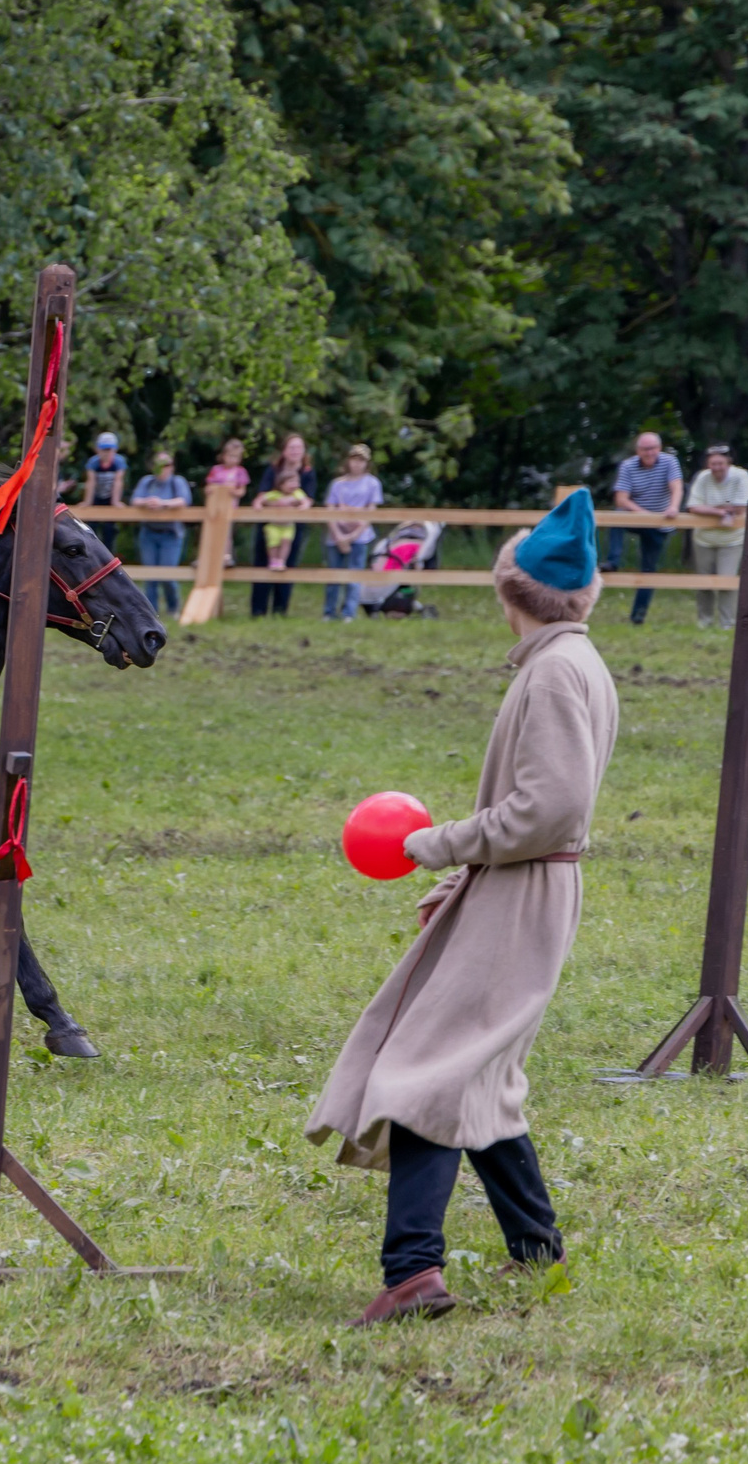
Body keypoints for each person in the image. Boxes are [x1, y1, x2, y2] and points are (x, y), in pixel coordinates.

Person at [307, 489, 618, 1326]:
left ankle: (412, 1270)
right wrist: (464, 880)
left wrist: (437, 844)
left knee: (426, 1071)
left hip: (529, 891)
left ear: (507, 591)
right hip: (517, 887)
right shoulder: (570, 659)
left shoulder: (555, 670)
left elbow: (548, 808)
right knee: (479, 1067)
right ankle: (537, 1248)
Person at [606, 431, 682, 625]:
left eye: (653, 448)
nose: (649, 453)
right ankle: (613, 561)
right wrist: (642, 514)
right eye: (645, 449)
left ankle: (638, 615)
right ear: (638, 450)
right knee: (616, 517)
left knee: (648, 569)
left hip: (660, 522)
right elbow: (621, 499)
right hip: (637, 515)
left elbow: (676, 487)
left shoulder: (669, 462)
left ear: (659, 448)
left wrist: (673, 507)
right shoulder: (628, 465)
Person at [683, 444, 748, 629]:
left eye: (720, 463)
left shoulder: (741, 477)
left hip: (732, 539)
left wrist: (710, 509)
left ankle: (727, 623)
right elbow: (693, 507)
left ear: (728, 462)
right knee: (703, 583)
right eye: (712, 463)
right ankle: (704, 621)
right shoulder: (702, 477)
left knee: (726, 581)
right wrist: (722, 511)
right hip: (703, 539)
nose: (716, 467)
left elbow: (741, 508)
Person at [251, 433, 318, 616]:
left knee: (287, 564)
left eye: (299, 448)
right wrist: (280, 503)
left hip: (292, 526)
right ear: (284, 450)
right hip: (269, 524)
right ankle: (258, 611)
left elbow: (308, 500)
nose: (295, 451)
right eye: (292, 447)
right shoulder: (273, 470)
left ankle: (280, 611)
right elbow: (261, 497)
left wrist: (293, 504)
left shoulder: (307, 472)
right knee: (262, 564)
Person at [322, 445, 384, 622]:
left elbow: (370, 513)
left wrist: (352, 536)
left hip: (360, 536)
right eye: (354, 459)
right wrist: (338, 536)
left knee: (354, 575)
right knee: (333, 575)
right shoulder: (337, 484)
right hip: (335, 535)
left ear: (367, 463)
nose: (357, 464)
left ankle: (349, 612)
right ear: (347, 461)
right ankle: (329, 611)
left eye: (361, 460)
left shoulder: (372, 483)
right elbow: (330, 511)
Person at [129, 449, 191, 615]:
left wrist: (162, 503)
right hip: (148, 533)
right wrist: (147, 502)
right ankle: (151, 612)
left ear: (172, 467)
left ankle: (173, 608)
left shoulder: (177, 482)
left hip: (171, 534)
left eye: (167, 465)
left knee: (168, 576)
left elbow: (183, 501)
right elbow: (135, 500)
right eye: (159, 465)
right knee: (150, 576)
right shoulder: (147, 482)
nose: (163, 468)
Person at [81, 433, 128, 547]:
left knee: (109, 529)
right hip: (97, 496)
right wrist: (88, 502)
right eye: (103, 449)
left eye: (109, 449)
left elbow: (118, 482)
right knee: (92, 526)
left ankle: (109, 554)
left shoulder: (119, 462)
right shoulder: (93, 462)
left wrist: (115, 501)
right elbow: (91, 482)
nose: (106, 453)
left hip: (110, 497)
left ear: (115, 450)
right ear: (98, 449)